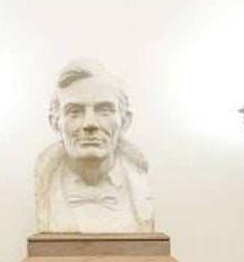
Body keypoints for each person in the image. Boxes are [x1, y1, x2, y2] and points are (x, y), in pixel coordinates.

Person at [34, 58, 154, 234]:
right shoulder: (46, 180)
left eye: (104, 110)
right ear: (55, 122)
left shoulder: (137, 184)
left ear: (125, 121)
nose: (90, 124)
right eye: (74, 112)